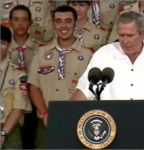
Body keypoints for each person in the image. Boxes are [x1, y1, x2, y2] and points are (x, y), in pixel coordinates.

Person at [71, 11, 144, 127]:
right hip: (108, 124)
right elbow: (85, 89)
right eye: (121, 35)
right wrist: (69, 113)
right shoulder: (104, 54)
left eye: (130, 36)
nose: (124, 41)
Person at [27, 5, 93, 148]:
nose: (63, 26)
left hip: (78, 122)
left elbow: (91, 90)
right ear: (53, 24)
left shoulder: (88, 56)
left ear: (75, 23)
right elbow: (33, 86)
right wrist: (44, 113)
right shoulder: (41, 53)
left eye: (68, 21)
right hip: (46, 123)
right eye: (58, 21)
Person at [0, 25, 31, 149]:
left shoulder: (18, 73)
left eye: (2, 42)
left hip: (9, 131)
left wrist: (3, 135)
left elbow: (19, 107)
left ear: (8, 45)